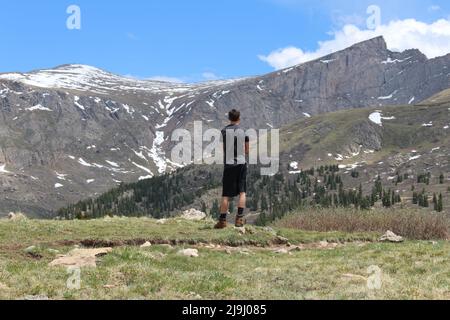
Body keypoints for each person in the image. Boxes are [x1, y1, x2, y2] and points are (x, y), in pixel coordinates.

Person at [214, 109, 250, 229]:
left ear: (229, 118)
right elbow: (246, 150)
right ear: (239, 118)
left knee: (226, 195)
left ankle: (222, 221)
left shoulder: (224, 131)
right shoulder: (243, 132)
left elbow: (224, 148)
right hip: (241, 163)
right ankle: (239, 219)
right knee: (242, 192)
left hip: (229, 164)